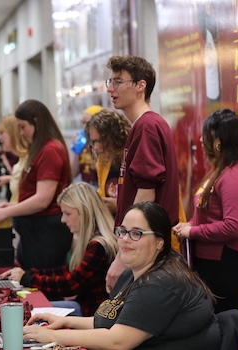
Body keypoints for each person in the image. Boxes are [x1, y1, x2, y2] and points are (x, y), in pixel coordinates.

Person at [23, 202, 221, 350]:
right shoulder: (133, 273)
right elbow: (109, 320)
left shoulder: (160, 283)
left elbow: (118, 341)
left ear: (160, 242)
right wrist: (66, 322)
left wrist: (51, 336)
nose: (125, 240)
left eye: (137, 234)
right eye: (123, 231)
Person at [173, 108, 238, 314]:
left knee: (224, 326)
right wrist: (192, 224)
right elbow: (211, 214)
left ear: (219, 142)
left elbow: (234, 226)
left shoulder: (234, 176)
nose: (201, 142)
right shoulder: (220, 171)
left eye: (206, 137)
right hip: (214, 264)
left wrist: (192, 231)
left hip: (227, 265)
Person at [105, 55, 179, 292]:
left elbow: (146, 195)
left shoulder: (147, 125)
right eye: (110, 81)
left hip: (147, 250)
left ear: (140, 85)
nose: (111, 88)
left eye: (118, 81)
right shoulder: (143, 124)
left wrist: (122, 256)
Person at [0, 182, 118, 316]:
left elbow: (71, 284)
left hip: (92, 315)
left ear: (85, 212)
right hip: (87, 309)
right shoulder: (92, 240)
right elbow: (68, 270)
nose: (63, 219)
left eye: (67, 213)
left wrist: (28, 278)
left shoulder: (99, 245)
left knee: (24, 312)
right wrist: (28, 274)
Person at [0, 99, 72, 270]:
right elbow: (35, 193)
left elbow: (42, 200)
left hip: (46, 232)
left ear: (36, 121)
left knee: (39, 284)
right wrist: (14, 205)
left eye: (22, 127)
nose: (21, 133)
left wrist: (8, 211)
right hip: (36, 230)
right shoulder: (41, 149)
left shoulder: (50, 150)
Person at [84, 108, 131, 214]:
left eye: (99, 140)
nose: (95, 147)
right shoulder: (103, 161)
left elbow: (146, 199)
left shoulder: (133, 159)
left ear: (115, 137)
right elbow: (103, 191)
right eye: (93, 142)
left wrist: (120, 206)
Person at [0, 114, 28, 203]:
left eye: (1, 133)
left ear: (13, 133)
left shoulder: (30, 158)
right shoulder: (22, 158)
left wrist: (8, 211)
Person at [70, 105, 103, 187]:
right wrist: (76, 150)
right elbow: (73, 174)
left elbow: (100, 170)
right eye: (83, 122)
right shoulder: (82, 141)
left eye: (88, 123)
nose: (85, 126)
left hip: (99, 186)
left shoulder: (103, 143)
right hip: (85, 187)